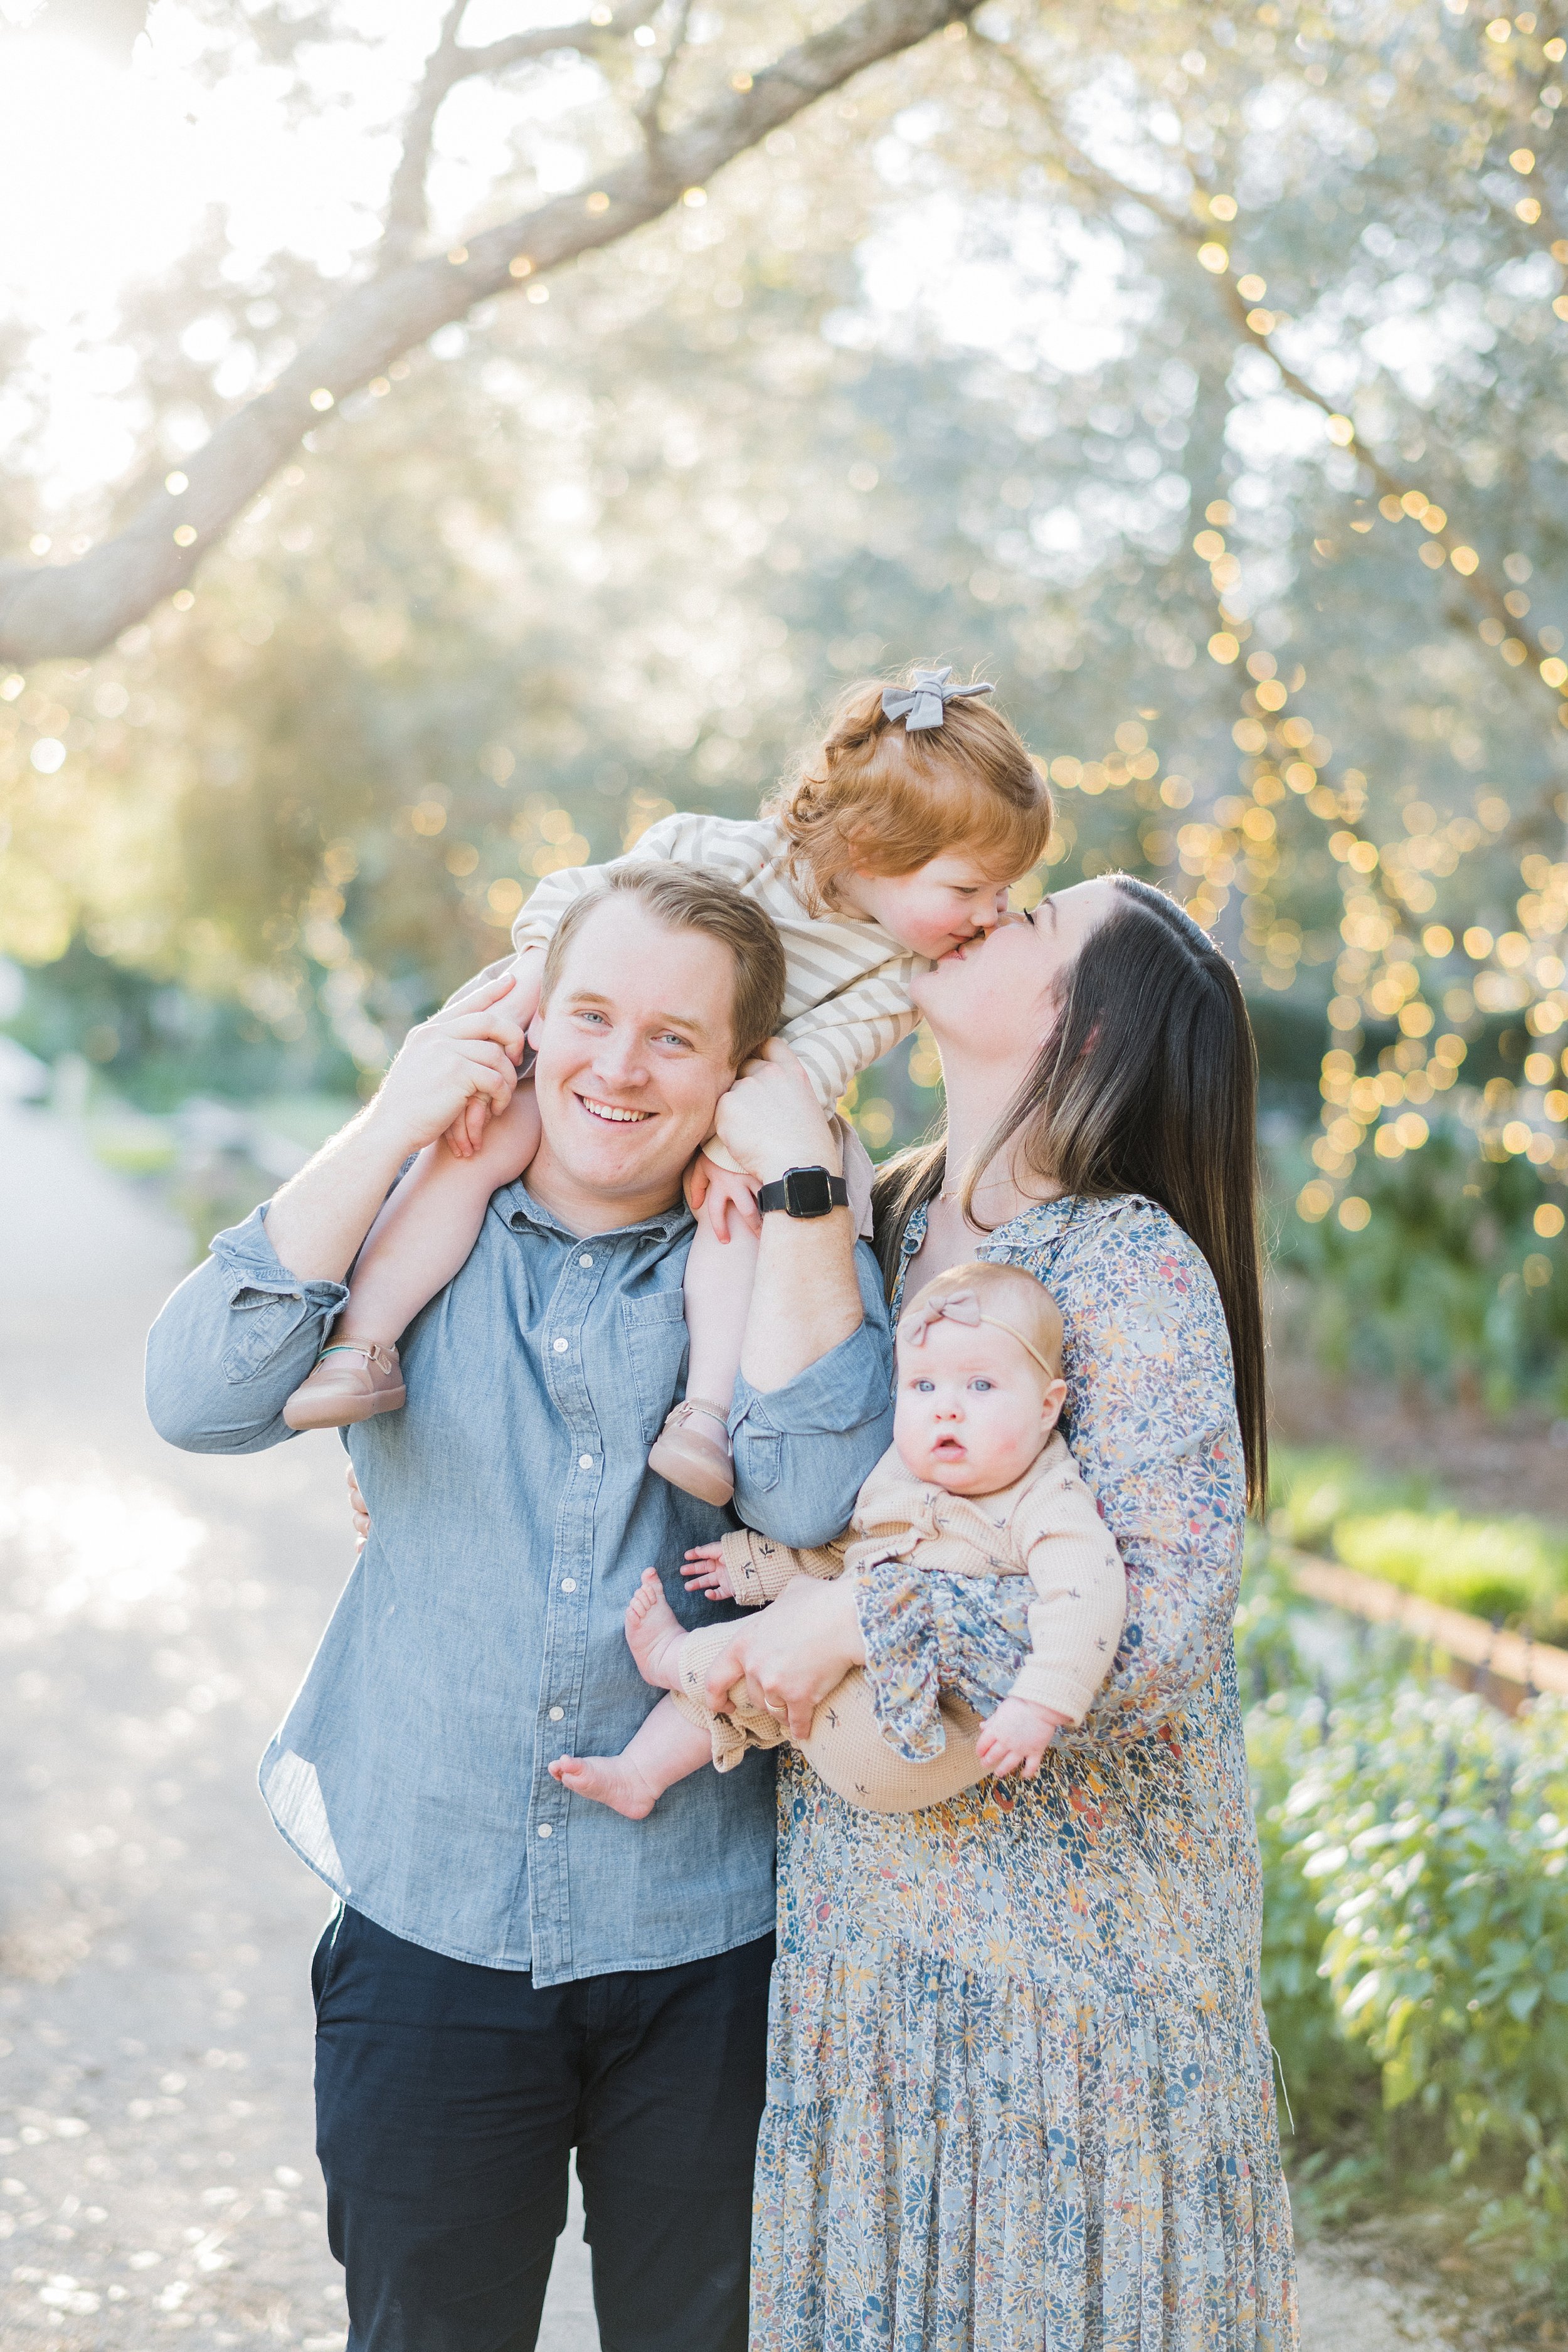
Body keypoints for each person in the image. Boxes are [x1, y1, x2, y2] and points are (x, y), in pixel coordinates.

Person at [144, 864, 896, 2352]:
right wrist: (396, 1114)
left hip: (704, 1939)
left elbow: (812, 1495)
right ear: (530, 1019)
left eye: (676, 1037)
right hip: (431, 1915)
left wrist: (803, 1183)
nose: (620, 1067)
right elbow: (198, 1394)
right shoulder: (427, 1223)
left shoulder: (769, 1255)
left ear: (739, 1069)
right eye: (592, 1015)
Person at [694, 874, 1300, 2349]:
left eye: (1032, 913)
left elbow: (1160, 1626)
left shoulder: (1132, 1266)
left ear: (1082, 1029)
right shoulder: (883, 1213)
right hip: (871, 1953)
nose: (983, 904)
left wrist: (855, 1621)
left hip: (1069, 1990)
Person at [279, 665, 1052, 1515]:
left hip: (743, 1116)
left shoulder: (898, 973)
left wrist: (728, 1147)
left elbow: (814, 1063)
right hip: (624, 1066)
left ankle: (707, 1414)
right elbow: (576, 903)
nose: (993, 911)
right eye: (968, 888)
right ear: (872, 850)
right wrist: (540, 977)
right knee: (475, 1146)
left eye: (1000, 890)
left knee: (736, 1219)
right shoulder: (708, 848)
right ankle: (365, 1341)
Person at [549, 1258, 1126, 1820]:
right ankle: (641, 1775)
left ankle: (675, 1658)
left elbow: (1089, 1596)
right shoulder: (902, 1471)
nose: (946, 1410)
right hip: (846, 1700)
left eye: (980, 1385)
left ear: (1048, 1406)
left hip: (924, 1736)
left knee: (774, 1642)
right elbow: (842, 1553)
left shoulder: (1045, 1498)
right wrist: (752, 1566)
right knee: (751, 1695)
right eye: (924, 1386)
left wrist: (1038, 1702)